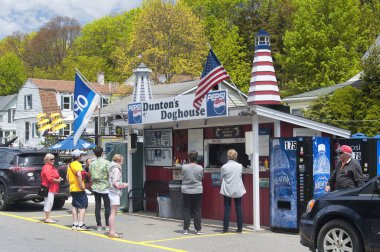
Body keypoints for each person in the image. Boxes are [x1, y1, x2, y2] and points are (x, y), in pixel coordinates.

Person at [220, 149, 246, 233]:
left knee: (227, 208)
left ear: (227, 156)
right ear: (236, 156)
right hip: (238, 188)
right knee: (238, 207)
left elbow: (221, 178)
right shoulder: (240, 166)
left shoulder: (224, 167)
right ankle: (240, 228)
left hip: (227, 189)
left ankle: (225, 229)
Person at [66, 149, 90, 231]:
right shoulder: (77, 164)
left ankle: (75, 224)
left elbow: (67, 177)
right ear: (79, 156)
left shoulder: (70, 165)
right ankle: (81, 224)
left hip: (72, 188)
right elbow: (79, 175)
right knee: (83, 205)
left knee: (75, 205)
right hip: (78, 188)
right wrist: (81, 185)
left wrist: (70, 184)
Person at [181, 151, 204, 235]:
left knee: (186, 209)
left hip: (186, 190)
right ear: (196, 158)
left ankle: (186, 229)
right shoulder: (200, 168)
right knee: (196, 209)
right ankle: (198, 229)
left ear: (189, 158)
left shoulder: (184, 167)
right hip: (197, 190)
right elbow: (202, 177)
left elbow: (182, 176)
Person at [89, 147, 111, 232]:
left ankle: (98, 225)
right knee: (107, 207)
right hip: (105, 186)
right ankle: (107, 225)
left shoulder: (92, 163)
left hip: (96, 186)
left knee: (97, 206)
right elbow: (109, 174)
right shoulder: (107, 162)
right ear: (102, 153)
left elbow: (90, 173)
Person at [108, 154, 128, 238]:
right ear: (118, 161)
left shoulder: (111, 167)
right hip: (114, 192)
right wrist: (124, 185)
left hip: (111, 191)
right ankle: (112, 232)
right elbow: (116, 183)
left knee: (113, 212)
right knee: (113, 212)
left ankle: (112, 231)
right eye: (122, 161)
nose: (122, 163)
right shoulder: (116, 169)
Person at [41, 153, 63, 223]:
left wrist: (59, 178)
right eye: (51, 159)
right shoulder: (47, 167)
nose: (53, 160)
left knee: (49, 202)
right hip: (48, 187)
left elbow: (54, 175)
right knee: (49, 202)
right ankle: (47, 218)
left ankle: (48, 217)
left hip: (51, 187)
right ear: (47, 160)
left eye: (53, 159)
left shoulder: (51, 167)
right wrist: (58, 180)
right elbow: (49, 178)